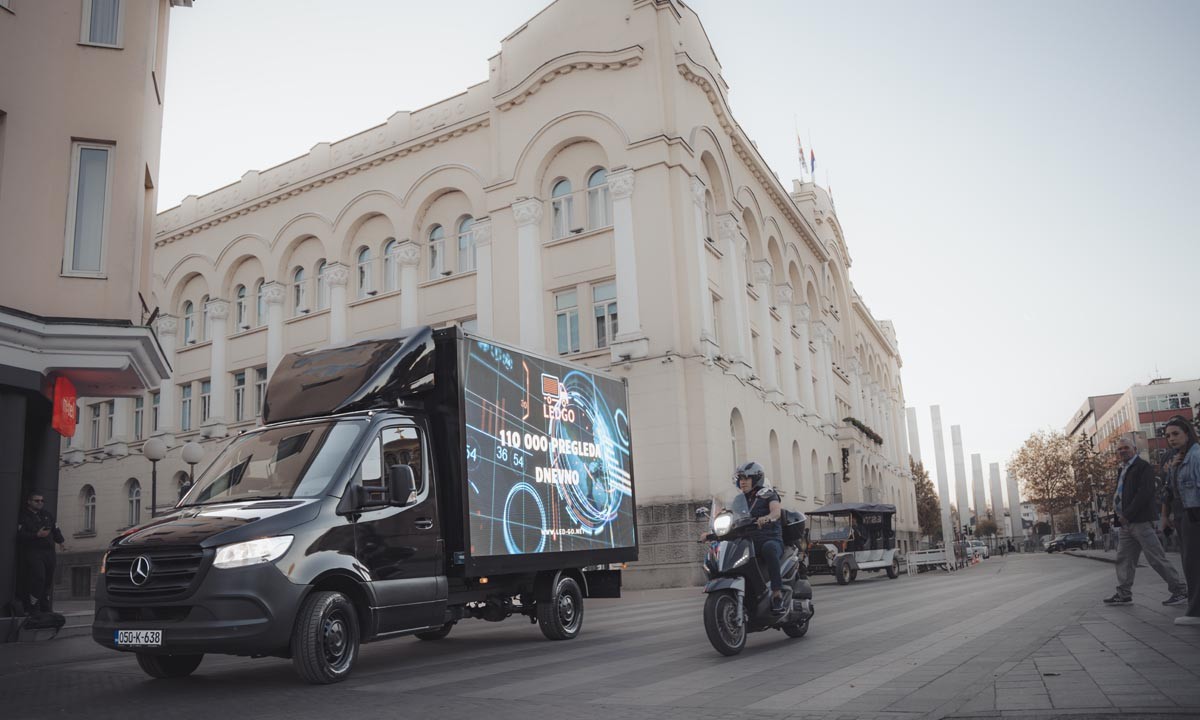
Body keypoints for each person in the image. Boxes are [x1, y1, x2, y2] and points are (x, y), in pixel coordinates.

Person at [1103, 435, 1188, 606]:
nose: (1122, 451)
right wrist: (1120, 517)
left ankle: (1180, 590)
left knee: (1155, 557)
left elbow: (1144, 493)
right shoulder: (1123, 468)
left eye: (1126, 448)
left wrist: (1128, 514)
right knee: (1124, 558)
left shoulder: (1143, 467)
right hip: (1126, 523)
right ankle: (1124, 593)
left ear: (1134, 449)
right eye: (1119, 449)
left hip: (1140, 521)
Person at [1161, 416, 1200, 626]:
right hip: (1183, 515)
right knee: (1190, 563)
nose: (1171, 439)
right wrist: (1166, 517)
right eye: (1168, 436)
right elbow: (1169, 491)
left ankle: (1195, 612)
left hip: (1193, 514)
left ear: (1187, 433)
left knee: (1193, 564)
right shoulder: (1177, 458)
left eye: (1176, 434)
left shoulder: (1196, 456)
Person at [734, 461, 786, 613]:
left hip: (769, 538)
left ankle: (777, 595)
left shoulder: (768, 494)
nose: (742, 481)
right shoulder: (738, 500)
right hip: (747, 540)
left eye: (746, 478)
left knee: (769, 549)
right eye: (740, 478)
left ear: (756, 479)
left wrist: (768, 517)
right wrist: (711, 530)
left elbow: (776, 511)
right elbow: (729, 515)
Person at [16, 491, 66, 614]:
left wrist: (61, 542)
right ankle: (33, 606)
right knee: (39, 578)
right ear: (29, 502)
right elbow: (20, 535)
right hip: (34, 551)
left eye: (42, 501)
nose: (40, 503)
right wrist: (36, 535)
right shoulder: (24, 516)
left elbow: (55, 529)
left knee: (48, 580)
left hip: (49, 552)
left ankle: (45, 607)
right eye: (36, 500)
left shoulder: (47, 515)